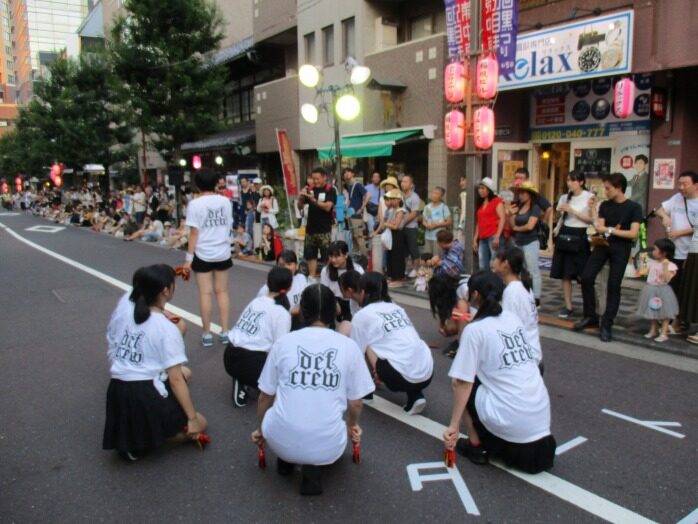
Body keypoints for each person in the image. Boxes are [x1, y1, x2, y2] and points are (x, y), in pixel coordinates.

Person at [251, 284, 375, 495]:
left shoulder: (284, 343)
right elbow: (356, 402)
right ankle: (312, 470)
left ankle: (285, 459)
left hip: (279, 439)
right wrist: (352, 426)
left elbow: (265, 397)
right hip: (328, 445)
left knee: (278, 412)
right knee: (324, 429)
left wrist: (260, 431)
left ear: (302, 311)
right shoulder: (348, 347)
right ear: (332, 312)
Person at [443, 271, 556, 473]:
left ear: (474, 295)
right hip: (543, 436)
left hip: (514, 430)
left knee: (462, 377)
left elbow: (461, 382)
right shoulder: (512, 318)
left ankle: (476, 446)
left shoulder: (475, 330)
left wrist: (453, 426)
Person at [103, 265, 207, 461]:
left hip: (117, 391)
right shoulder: (166, 328)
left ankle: (133, 433)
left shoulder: (128, 314)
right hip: (143, 392)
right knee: (201, 422)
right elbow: (175, 380)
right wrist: (192, 419)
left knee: (186, 373)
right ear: (166, 291)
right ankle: (142, 440)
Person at [350, 272, 434, 414]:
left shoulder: (362, 315)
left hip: (398, 377)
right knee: (404, 348)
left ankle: (366, 392)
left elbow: (356, 352)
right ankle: (416, 395)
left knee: (367, 343)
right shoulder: (397, 308)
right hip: (427, 372)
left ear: (363, 292)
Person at [574, 173, 643, 342]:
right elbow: (600, 226)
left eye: (608, 188)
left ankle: (607, 323)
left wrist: (610, 230)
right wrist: (593, 210)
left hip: (621, 248)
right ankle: (591, 316)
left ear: (619, 188)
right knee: (587, 277)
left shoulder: (634, 207)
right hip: (602, 245)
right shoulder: (605, 205)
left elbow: (633, 233)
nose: (605, 191)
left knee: (614, 285)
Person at [224, 266, 293, 407]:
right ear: (289, 287)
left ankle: (241, 379)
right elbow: (279, 350)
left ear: (267, 283)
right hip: (252, 365)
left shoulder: (256, 301)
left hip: (229, 357)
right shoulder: (282, 313)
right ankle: (252, 382)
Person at [183, 168, 234, 347]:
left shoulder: (195, 204)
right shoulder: (226, 202)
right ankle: (225, 331)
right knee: (222, 292)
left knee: (205, 293)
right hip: (222, 251)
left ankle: (206, 334)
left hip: (202, 253)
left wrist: (188, 259)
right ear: (215, 183)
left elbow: (194, 232)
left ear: (197, 184)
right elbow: (228, 226)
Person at [655, 171, 698, 332]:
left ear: (696, 185)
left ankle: (682, 320)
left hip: (691, 252)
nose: (681, 187)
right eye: (679, 184)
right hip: (675, 251)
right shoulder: (677, 198)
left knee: (686, 289)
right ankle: (668, 318)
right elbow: (660, 210)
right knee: (671, 286)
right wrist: (664, 217)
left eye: (685, 184)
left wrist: (679, 233)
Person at [550, 170, 594, 319]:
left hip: (581, 234)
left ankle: (589, 307)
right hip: (566, 233)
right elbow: (558, 217)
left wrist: (572, 210)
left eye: (573, 180)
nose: (570, 183)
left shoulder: (589, 197)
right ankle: (568, 306)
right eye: (568, 180)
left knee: (584, 273)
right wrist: (560, 212)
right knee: (566, 273)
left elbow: (591, 219)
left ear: (581, 182)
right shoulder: (564, 197)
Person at [493, 247, 543, 367]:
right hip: (532, 351)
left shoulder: (512, 291)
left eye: (496, 258)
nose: (493, 261)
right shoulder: (522, 286)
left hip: (524, 357)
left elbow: (508, 328)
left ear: (505, 264)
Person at [636, 239, 680, 343]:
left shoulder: (670, 265)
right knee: (652, 309)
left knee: (666, 312)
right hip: (650, 289)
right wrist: (642, 264)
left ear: (664, 252)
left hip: (663, 290)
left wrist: (665, 266)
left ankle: (664, 333)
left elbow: (667, 279)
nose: (653, 252)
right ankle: (653, 329)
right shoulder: (652, 262)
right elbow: (642, 272)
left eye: (656, 250)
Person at [507, 182, 542, 303]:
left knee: (533, 270)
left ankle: (536, 297)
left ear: (530, 194)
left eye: (523, 192)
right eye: (519, 193)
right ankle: (524, 294)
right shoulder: (518, 206)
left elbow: (530, 226)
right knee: (520, 269)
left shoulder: (535, 208)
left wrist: (517, 228)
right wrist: (511, 215)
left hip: (530, 242)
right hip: (518, 241)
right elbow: (512, 225)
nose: (520, 195)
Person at [257, 250, 308, 331]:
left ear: (296, 265)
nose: (286, 268)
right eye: (282, 265)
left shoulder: (301, 279)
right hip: (275, 323)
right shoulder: (267, 288)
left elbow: (307, 301)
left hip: (297, 321)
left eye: (289, 264)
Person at [300, 167, 337, 279]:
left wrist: (314, 200)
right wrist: (301, 196)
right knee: (311, 255)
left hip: (324, 230)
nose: (315, 181)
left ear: (324, 177)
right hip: (310, 229)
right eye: (313, 178)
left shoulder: (330, 190)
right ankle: (311, 277)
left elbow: (328, 207)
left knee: (327, 256)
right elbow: (299, 206)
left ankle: (328, 277)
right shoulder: (310, 189)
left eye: (317, 178)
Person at [320, 240, 365, 322]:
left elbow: (361, 292)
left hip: (353, 300)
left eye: (337, 256)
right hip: (335, 301)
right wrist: (334, 303)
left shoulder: (357, 269)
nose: (333, 260)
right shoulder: (326, 271)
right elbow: (325, 291)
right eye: (331, 256)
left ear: (346, 255)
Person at [376, 189, 407, 287]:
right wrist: (388, 223)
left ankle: (398, 278)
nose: (391, 201)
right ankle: (393, 276)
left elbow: (396, 226)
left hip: (398, 235)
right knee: (390, 256)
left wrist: (386, 224)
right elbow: (390, 222)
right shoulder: (391, 210)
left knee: (397, 256)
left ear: (398, 200)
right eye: (391, 199)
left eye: (393, 199)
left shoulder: (400, 210)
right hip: (391, 234)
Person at [474, 178, 505, 270]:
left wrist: (497, 236)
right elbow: (478, 222)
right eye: (480, 188)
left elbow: (502, 218)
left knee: (495, 265)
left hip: (493, 235)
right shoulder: (481, 203)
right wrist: (475, 238)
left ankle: (497, 284)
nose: (480, 190)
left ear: (489, 190)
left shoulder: (496, 201)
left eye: (483, 188)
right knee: (482, 265)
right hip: (482, 237)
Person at [343, 167, 369, 255]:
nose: (346, 174)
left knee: (358, 237)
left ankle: (365, 259)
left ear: (353, 174)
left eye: (348, 172)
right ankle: (356, 259)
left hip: (356, 216)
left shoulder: (357, 185)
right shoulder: (350, 186)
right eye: (345, 173)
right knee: (353, 238)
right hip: (351, 214)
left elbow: (368, 195)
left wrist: (361, 208)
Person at [400, 175, 421, 278]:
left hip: (411, 227)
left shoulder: (415, 197)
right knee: (403, 250)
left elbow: (414, 214)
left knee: (413, 249)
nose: (403, 183)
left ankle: (415, 269)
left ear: (411, 184)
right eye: (402, 181)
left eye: (406, 182)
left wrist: (402, 222)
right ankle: (403, 269)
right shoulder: (400, 195)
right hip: (401, 227)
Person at [422, 187, 451, 256]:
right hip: (428, 236)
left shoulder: (444, 207)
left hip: (438, 238)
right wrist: (427, 225)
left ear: (441, 196)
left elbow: (449, 222)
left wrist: (437, 225)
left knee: (437, 257)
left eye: (437, 193)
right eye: (433, 193)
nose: (434, 195)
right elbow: (424, 221)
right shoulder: (427, 207)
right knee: (428, 257)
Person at [457, 175, 467, 245]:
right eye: (460, 181)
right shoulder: (462, 194)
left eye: (463, 180)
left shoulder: (464, 194)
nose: (461, 183)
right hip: (462, 222)